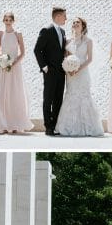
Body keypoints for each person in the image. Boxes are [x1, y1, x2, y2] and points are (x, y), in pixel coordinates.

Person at [56, 18, 103, 137]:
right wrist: (69, 68)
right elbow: (66, 57)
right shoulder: (68, 41)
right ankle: (69, 126)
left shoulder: (88, 41)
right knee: (71, 95)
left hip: (82, 73)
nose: (75, 24)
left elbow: (90, 59)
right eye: (74, 23)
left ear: (83, 26)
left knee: (84, 95)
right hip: (71, 74)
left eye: (78, 22)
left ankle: (87, 127)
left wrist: (78, 69)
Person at [33, 7, 68, 136]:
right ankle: (48, 127)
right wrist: (44, 67)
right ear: (58, 16)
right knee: (48, 98)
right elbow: (37, 50)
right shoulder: (46, 30)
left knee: (58, 99)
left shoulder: (63, 32)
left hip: (61, 71)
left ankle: (54, 126)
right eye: (64, 16)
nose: (66, 18)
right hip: (50, 71)